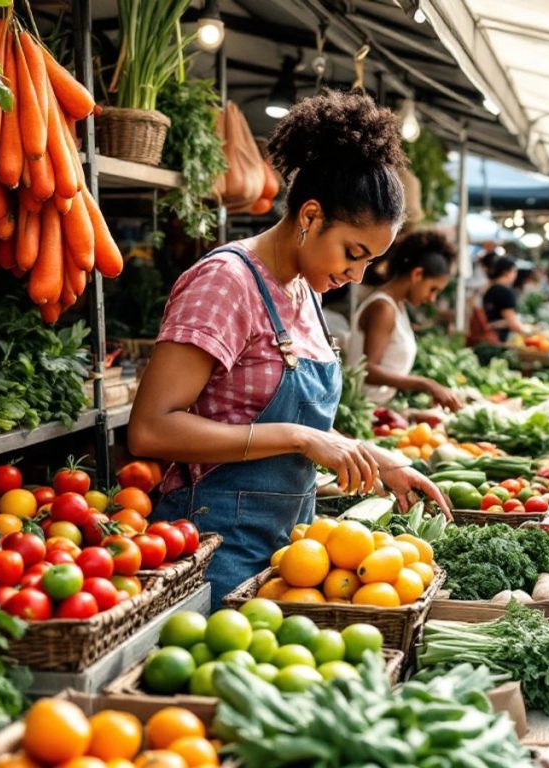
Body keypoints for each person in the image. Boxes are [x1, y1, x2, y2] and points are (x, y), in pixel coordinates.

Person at [128, 91, 448, 607]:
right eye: (353, 253)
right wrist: (300, 437)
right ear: (310, 216)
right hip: (215, 548)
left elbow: (290, 425)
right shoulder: (226, 282)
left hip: (290, 554)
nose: (355, 276)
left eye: (369, 263)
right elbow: (150, 428)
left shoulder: (304, 289)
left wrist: (377, 459)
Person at [346, 230, 463, 411]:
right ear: (417, 275)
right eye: (433, 289)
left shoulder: (396, 306)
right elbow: (368, 370)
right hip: (362, 410)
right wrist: (426, 384)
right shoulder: (383, 308)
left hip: (379, 409)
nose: (432, 298)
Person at [482, 256, 529, 342]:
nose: (515, 275)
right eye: (514, 271)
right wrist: (528, 334)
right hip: (502, 339)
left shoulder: (489, 289)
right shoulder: (505, 292)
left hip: (489, 337)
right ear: (506, 272)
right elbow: (513, 324)